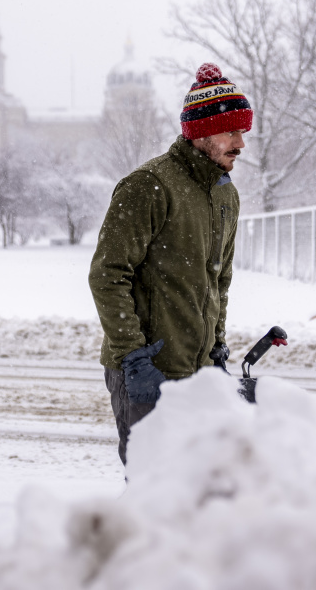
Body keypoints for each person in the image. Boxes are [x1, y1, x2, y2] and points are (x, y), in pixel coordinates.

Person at [88, 63, 251, 464]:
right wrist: (133, 357)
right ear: (201, 133)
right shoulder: (148, 186)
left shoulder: (226, 196)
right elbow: (108, 276)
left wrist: (216, 347)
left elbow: (219, 281)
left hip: (198, 373)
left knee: (196, 489)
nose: (240, 143)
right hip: (146, 372)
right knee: (152, 489)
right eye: (231, 131)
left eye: (242, 132)